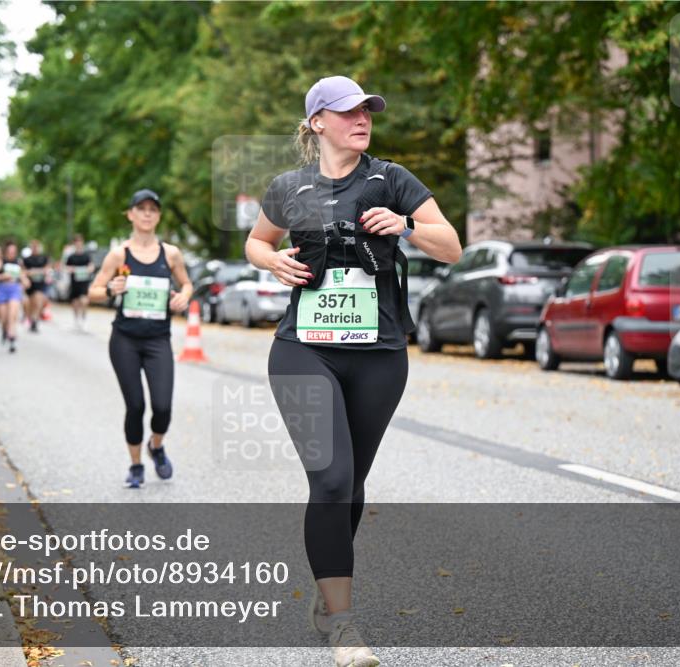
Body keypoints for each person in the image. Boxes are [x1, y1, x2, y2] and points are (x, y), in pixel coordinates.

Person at [244, 75, 462, 667]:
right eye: (347, 112)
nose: (361, 119)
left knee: (352, 484)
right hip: (302, 350)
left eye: (367, 110)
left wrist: (408, 226)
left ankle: (325, 594)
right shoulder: (288, 187)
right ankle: (342, 624)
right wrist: (273, 261)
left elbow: (452, 246)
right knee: (333, 480)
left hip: (378, 352)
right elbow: (256, 242)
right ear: (317, 123)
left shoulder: (391, 179)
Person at [89, 189, 192, 489]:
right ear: (130, 214)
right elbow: (93, 291)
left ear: (158, 216)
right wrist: (111, 289)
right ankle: (136, 466)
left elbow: (187, 284)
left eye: (153, 209)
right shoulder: (119, 254)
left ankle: (156, 446)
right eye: (141, 208)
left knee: (163, 407)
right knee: (135, 406)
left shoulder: (170, 254)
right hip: (125, 340)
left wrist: (182, 298)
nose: (147, 213)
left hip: (158, 339)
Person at [0, 241, 26, 353]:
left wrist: (25, 280)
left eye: (14, 251)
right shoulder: (0, 262)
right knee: (4, 318)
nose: (12, 253)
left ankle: (12, 339)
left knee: (12, 315)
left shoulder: (19, 262)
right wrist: (3, 276)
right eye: (10, 251)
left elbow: (22, 275)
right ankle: (5, 331)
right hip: (2, 290)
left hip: (14, 289)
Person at [64, 234, 95, 332]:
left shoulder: (86, 256)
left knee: (84, 301)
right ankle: (76, 320)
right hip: (74, 282)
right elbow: (66, 267)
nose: (78, 244)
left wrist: (87, 270)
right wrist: (72, 269)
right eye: (76, 242)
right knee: (75, 303)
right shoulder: (71, 257)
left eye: (80, 242)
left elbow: (91, 267)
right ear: (74, 243)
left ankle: (84, 319)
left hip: (84, 282)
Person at [22, 240, 50, 333]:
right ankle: (31, 318)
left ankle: (35, 320)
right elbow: (23, 271)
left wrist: (40, 272)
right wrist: (30, 273)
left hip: (41, 284)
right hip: (30, 285)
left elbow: (47, 269)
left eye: (36, 247)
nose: (35, 249)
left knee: (39, 301)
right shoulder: (27, 260)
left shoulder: (44, 258)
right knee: (31, 303)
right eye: (33, 247)